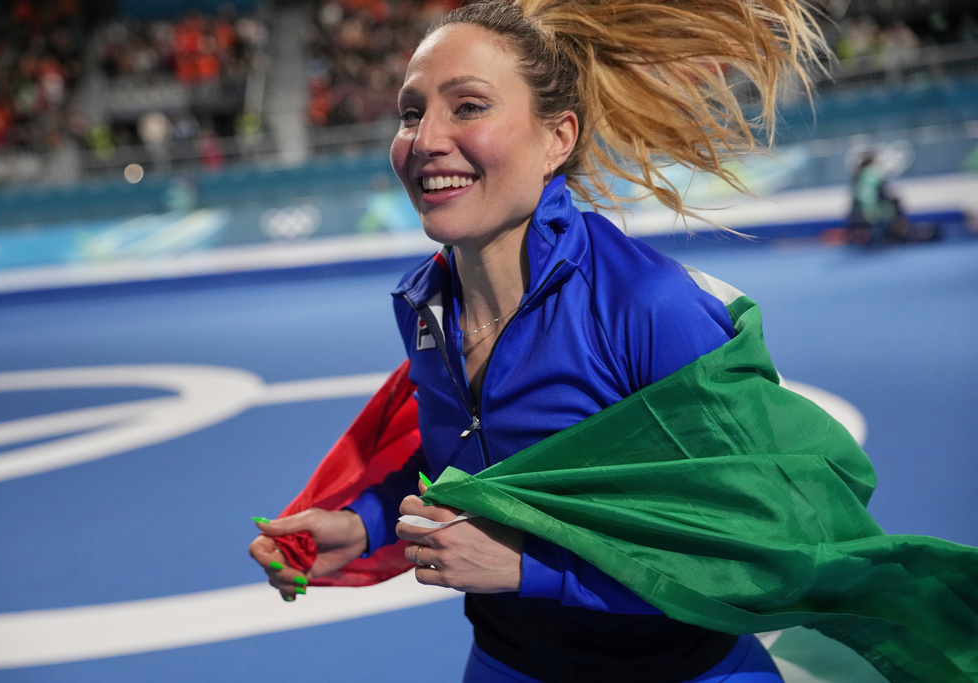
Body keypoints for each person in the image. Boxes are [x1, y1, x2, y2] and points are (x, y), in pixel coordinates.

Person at [249, 2, 975, 682]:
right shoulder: (428, 304)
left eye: (467, 106)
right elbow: (463, 463)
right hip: (505, 662)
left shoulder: (647, 308)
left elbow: (766, 539)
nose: (426, 139)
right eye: (412, 112)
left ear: (557, 138)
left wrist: (534, 567)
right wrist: (362, 521)